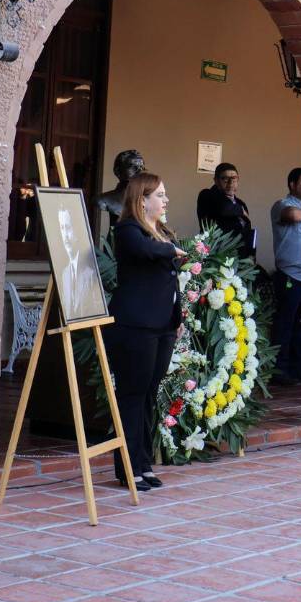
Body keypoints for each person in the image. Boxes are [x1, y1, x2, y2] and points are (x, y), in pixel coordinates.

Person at [107, 173, 187, 492]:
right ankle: (127, 468)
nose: (166, 200)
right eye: (160, 195)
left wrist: (177, 316)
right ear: (143, 200)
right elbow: (147, 252)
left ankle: (143, 462)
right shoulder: (128, 230)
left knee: (149, 395)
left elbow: (170, 280)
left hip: (163, 326)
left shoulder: (163, 232)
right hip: (135, 326)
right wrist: (172, 251)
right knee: (133, 395)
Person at [270, 167, 301, 385]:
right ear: (292, 184)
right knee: (285, 324)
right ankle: (280, 370)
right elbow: (292, 215)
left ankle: (299, 369)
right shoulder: (281, 204)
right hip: (290, 275)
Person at [56, 205, 106, 320]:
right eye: (62, 228)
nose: (65, 235)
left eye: (68, 228)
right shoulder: (64, 274)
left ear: (77, 229)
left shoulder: (92, 269)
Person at [197, 162, 255, 259]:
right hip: (217, 257)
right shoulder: (207, 195)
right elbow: (223, 209)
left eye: (234, 178)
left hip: (241, 258)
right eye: (225, 179)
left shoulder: (240, 203)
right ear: (216, 180)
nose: (231, 183)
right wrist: (241, 211)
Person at [96, 149, 144, 233]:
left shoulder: (147, 200)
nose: (139, 172)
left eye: (141, 168)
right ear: (118, 171)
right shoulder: (102, 200)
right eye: (133, 167)